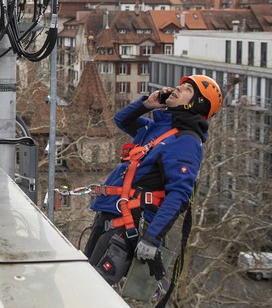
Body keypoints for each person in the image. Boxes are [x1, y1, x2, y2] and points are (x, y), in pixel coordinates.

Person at [83, 75, 223, 285]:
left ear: (197, 104)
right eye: (180, 85)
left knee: (91, 288)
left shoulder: (185, 142)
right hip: (111, 215)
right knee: (82, 279)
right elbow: (122, 120)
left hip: (126, 225)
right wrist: (147, 104)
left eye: (186, 89)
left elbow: (178, 196)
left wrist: (151, 238)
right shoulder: (160, 130)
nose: (177, 88)